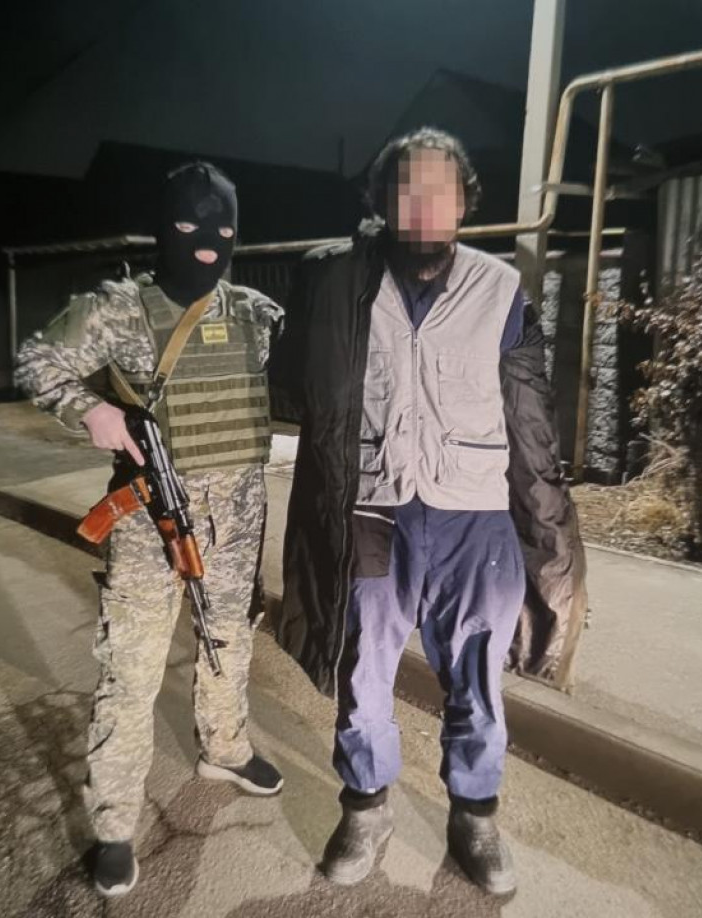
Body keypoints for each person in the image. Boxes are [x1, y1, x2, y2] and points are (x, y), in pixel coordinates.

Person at [270, 128, 587, 896]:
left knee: (477, 675)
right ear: (382, 201)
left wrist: (548, 535)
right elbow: (290, 386)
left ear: (464, 203)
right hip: (372, 510)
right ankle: (366, 807)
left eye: (440, 190)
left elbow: (531, 422)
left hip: (475, 517)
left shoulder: (500, 289)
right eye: (406, 190)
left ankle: (474, 817)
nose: (424, 205)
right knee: (363, 670)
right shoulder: (342, 285)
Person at [16, 162, 284, 898]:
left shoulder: (255, 313)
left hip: (236, 519)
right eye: (190, 225)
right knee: (131, 671)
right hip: (146, 520)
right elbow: (38, 359)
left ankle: (224, 748)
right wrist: (92, 411)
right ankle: (114, 820)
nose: (208, 241)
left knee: (229, 642)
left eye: (223, 227)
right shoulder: (119, 309)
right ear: (164, 226)